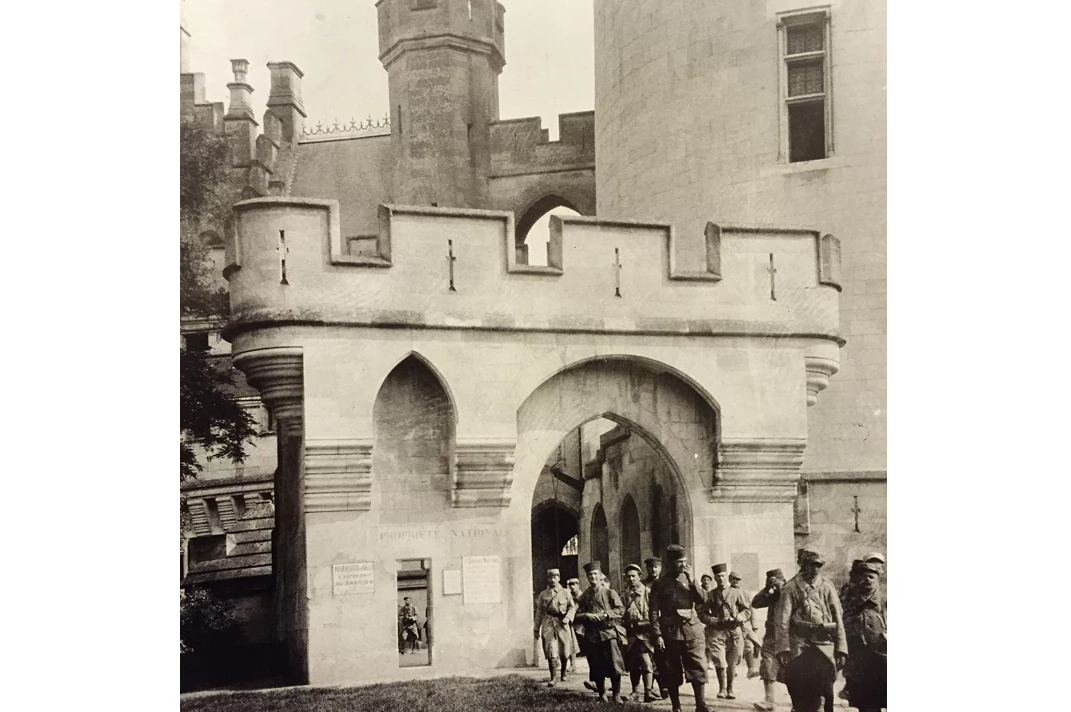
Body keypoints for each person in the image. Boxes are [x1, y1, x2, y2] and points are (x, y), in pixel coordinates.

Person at [773, 548, 847, 712]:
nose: (814, 569)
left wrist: (841, 648)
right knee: (800, 691)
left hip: (824, 646)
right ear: (801, 564)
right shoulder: (791, 588)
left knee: (827, 693)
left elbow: (838, 617)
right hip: (800, 645)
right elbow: (782, 621)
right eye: (810, 564)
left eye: (818, 565)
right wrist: (783, 649)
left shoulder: (827, 586)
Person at [648, 544, 710, 712]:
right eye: (679, 562)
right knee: (671, 669)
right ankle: (676, 706)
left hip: (692, 630)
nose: (683, 565)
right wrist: (657, 634)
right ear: (669, 563)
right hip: (670, 633)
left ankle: (701, 705)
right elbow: (653, 611)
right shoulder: (659, 584)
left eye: (684, 561)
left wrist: (692, 580)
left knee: (698, 667)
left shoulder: (690, 581)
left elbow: (703, 600)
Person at [575, 561, 627, 702]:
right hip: (592, 636)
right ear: (587, 577)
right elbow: (576, 615)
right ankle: (602, 694)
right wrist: (587, 615)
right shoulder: (584, 596)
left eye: (595, 574)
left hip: (608, 633)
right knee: (596, 665)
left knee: (614, 664)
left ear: (600, 575)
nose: (593, 577)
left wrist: (605, 614)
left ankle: (616, 695)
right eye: (590, 575)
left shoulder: (610, 592)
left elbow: (620, 610)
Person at [699, 563, 751, 700]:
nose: (720, 579)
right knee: (719, 661)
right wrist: (709, 619)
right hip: (717, 631)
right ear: (715, 578)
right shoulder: (711, 594)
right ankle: (722, 689)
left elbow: (746, 610)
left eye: (722, 576)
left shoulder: (736, 593)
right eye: (718, 577)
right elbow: (702, 613)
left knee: (733, 661)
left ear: (726, 576)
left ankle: (730, 689)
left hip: (734, 631)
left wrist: (741, 616)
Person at [841, 561, 886, 712]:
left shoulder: (884, 600)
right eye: (864, 576)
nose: (867, 579)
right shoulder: (848, 599)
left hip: (880, 655)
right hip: (857, 657)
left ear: (877, 579)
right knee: (863, 700)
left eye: (871, 577)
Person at [534, 568, 577, 686]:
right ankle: (553, 677)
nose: (553, 580)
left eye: (555, 577)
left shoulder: (565, 592)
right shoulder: (543, 594)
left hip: (562, 622)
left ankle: (563, 673)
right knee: (550, 649)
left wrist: (568, 618)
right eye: (550, 577)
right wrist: (536, 628)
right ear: (547, 579)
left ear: (559, 578)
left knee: (564, 649)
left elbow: (572, 607)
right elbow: (539, 612)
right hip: (548, 622)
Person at [751, 568, 787, 712]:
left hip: (788, 636)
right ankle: (769, 701)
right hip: (771, 636)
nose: (776, 586)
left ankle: (798, 703)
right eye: (772, 583)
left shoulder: (791, 592)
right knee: (767, 665)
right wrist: (767, 589)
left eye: (777, 582)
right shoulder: (772, 595)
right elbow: (755, 603)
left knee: (792, 670)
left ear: (784, 581)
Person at [622, 564, 657, 702]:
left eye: (633, 576)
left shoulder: (648, 593)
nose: (631, 579)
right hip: (630, 635)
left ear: (639, 576)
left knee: (646, 663)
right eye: (628, 577)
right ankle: (635, 691)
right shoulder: (625, 595)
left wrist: (644, 624)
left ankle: (648, 692)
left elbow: (655, 614)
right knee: (633, 664)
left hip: (645, 635)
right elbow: (620, 613)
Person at [643, 556, 669, 699]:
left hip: (662, 624)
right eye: (650, 567)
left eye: (656, 567)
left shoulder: (666, 583)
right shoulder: (643, 585)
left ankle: (663, 685)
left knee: (662, 655)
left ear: (660, 568)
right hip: (646, 624)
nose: (653, 570)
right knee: (649, 656)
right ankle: (651, 688)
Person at [730, 571, 762, 680]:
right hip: (731, 625)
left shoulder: (746, 593)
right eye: (733, 579)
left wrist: (755, 626)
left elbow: (752, 609)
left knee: (749, 645)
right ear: (729, 580)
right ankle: (733, 667)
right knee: (734, 647)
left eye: (738, 579)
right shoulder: (726, 592)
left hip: (745, 625)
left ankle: (751, 669)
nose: (735, 581)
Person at [566, 577, 583, 670]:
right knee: (571, 641)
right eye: (570, 585)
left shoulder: (583, 596)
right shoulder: (568, 596)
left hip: (583, 623)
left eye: (574, 584)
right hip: (573, 623)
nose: (572, 587)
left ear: (578, 585)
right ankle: (573, 665)